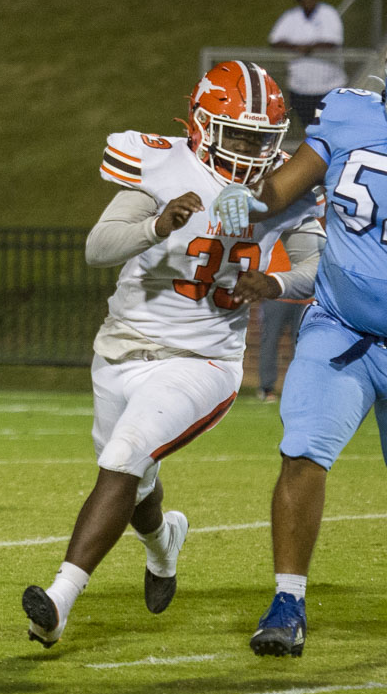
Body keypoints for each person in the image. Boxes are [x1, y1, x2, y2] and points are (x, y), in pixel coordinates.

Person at [22, 61, 326, 649]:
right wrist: (157, 224)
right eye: (234, 134)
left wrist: (275, 284)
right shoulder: (160, 163)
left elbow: (315, 263)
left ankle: (57, 602)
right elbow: (96, 248)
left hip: (203, 358)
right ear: (200, 124)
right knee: (135, 482)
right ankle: (164, 544)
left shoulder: (286, 188)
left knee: (127, 453)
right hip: (121, 347)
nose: (246, 150)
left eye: (259, 140)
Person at [211, 72, 387, 658]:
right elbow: (282, 191)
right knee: (303, 451)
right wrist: (248, 199)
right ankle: (287, 603)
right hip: (342, 328)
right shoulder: (351, 114)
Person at [269, 0, 346, 125]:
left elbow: (334, 42)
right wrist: (296, 47)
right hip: (300, 87)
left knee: (329, 126)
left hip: (329, 86)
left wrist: (309, 48)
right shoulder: (291, 17)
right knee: (308, 127)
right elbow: (275, 40)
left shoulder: (328, 13)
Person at [255, 241, 310, 402]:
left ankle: (301, 388)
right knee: (270, 341)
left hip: (304, 294)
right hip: (276, 292)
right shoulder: (275, 219)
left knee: (303, 347)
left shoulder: (312, 221)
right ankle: (266, 388)